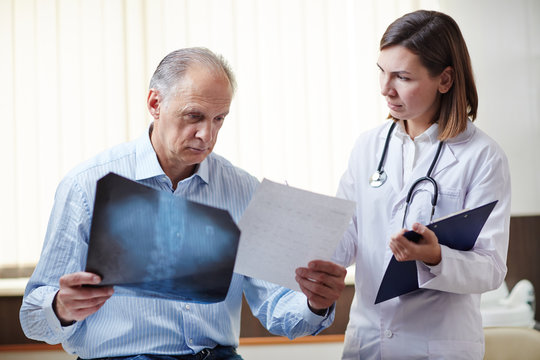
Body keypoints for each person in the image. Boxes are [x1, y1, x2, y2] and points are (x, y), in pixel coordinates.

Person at [20, 47, 347, 360]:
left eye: (219, 119)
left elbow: (277, 308)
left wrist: (314, 303)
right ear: (154, 103)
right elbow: (33, 317)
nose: (207, 134)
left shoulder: (244, 190)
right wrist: (62, 306)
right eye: (194, 116)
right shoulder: (86, 186)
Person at [334, 10, 511, 360]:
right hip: (368, 341)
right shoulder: (368, 146)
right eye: (382, 72)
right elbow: (345, 237)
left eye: (402, 77)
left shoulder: (483, 157)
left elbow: (490, 268)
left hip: (438, 345)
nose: (385, 88)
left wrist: (434, 255)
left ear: (445, 80)